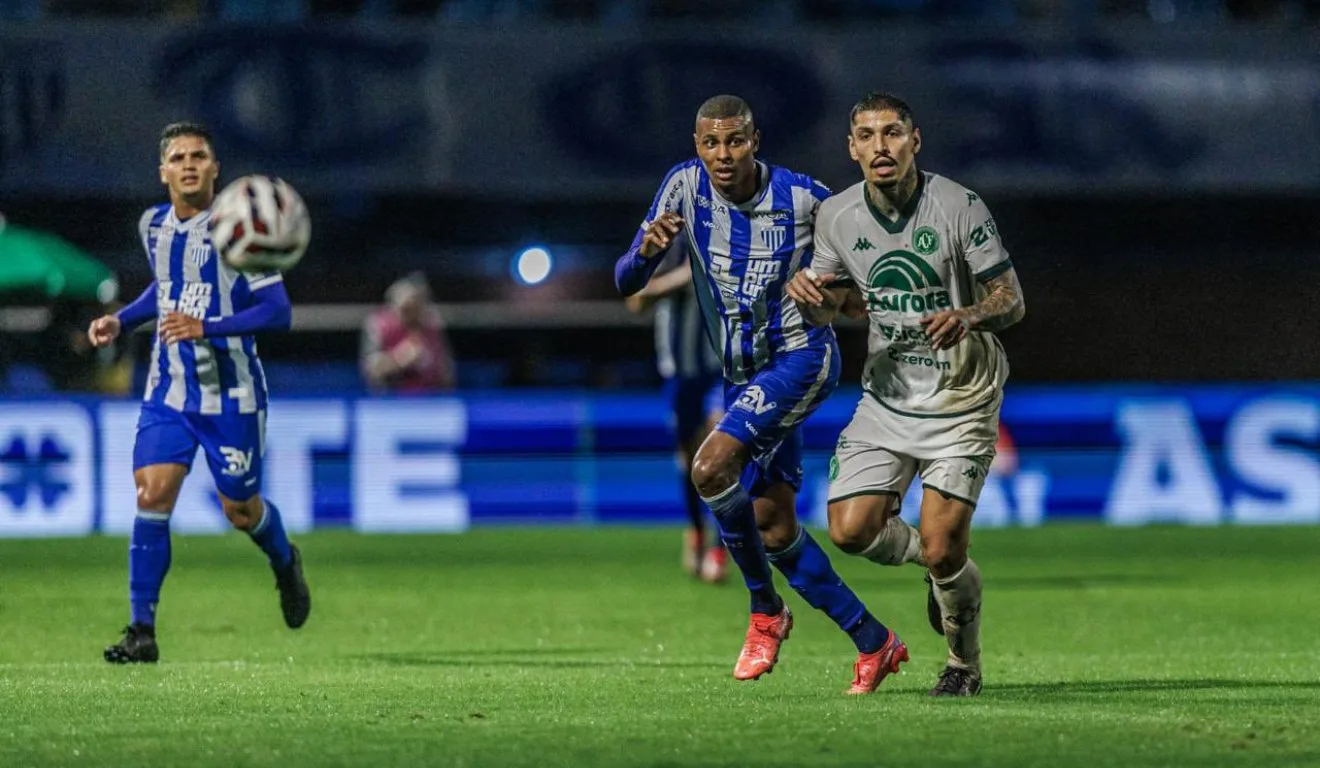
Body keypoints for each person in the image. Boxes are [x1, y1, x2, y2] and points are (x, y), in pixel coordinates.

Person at [615, 94, 907, 694]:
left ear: (756, 139)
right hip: (742, 375)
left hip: (802, 359)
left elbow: (864, 296)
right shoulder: (682, 187)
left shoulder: (807, 199)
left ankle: (763, 613)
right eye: (711, 143)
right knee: (774, 530)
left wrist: (829, 299)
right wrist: (643, 253)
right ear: (698, 147)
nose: (723, 155)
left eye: (736, 141)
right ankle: (875, 642)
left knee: (710, 467)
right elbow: (625, 280)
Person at [786, 92, 1026, 697]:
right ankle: (939, 571)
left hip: (963, 398)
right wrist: (814, 308)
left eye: (892, 133)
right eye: (866, 136)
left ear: (915, 141)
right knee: (849, 531)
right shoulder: (837, 216)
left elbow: (1012, 301)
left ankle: (962, 665)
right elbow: (843, 305)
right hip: (888, 397)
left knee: (947, 547)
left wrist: (969, 315)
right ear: (852, 147)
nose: (880, 147)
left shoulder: (959, 205)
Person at [88, 122, 310, 663]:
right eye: (179, 157)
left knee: (240, 510)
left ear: (215, 170)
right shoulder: (153, 226)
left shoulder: (239, 230)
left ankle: (284, 560)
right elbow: (166, 289)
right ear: (163, 171)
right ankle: (142, 631)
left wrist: (205, 326)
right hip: (168, 392)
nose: (189, 164)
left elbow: (278, 313)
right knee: (152, 494)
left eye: (199, 156)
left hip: (231, 398)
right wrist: (122, 320)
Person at [624, 255, 727, 583]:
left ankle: (720, 548)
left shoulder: (728, 239)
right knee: (690, 461)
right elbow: (636, 303)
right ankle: (696, 531)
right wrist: (684, 276)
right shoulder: (667, 251)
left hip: (719, 370)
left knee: (723, 457)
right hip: (680, 376)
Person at [360, 272, 457, 393]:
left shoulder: (432, 324)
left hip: (429, 399)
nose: (412, 314)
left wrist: (429, 363)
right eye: (406, 309)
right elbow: (371, 370)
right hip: (390, 400)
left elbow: (447, 373)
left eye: (417, 307)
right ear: (394, 305)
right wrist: (399, 360)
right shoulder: (379, 325)